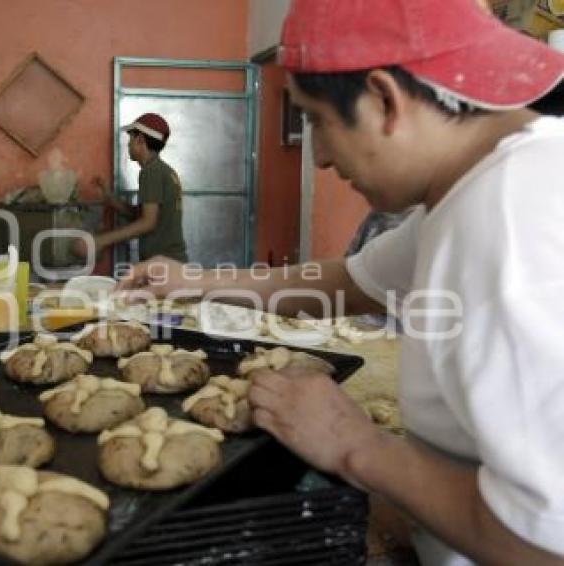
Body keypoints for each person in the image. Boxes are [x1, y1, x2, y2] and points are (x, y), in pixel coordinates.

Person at [116, 1, 564, 564]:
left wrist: (357, 447)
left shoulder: (510, 223)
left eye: (318, 122)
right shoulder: (472, 189)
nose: (320, 156)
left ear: (384, 99)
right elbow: (352, 282)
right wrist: (195, 281)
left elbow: (545, 545)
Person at [72, 113, 188, 263]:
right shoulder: (163, 170)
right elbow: (141, 215)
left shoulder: (151, 172)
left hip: (164, 263)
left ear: (140, 140)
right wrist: (110, 198)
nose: (128, 144)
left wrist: (99, 241)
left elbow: (148, 222)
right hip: (168, 261)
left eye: (131, 139)